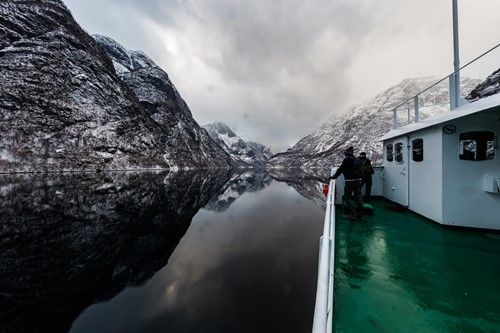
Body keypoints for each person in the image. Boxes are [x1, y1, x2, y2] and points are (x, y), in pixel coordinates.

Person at [329, 146, 364, 220]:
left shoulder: (347, 160)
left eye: (346, 151)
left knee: (347, 197)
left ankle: (352, 214)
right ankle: (361, 215)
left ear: (348, 152)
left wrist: (334, 177)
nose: (345, 153)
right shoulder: (357, 159)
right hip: (358, 181)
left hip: (350, 181)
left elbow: (340, 169)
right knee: (358, 197)